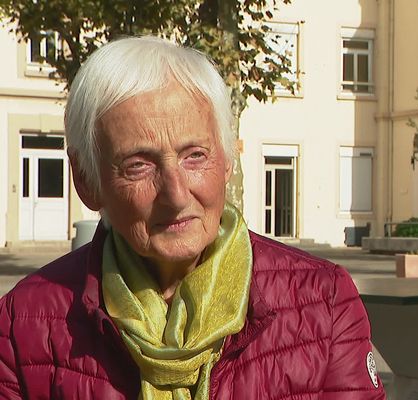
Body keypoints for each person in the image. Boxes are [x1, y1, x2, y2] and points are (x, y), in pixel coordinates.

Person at [0, 36, 386, 400]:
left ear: (227, 161)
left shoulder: (324, 301)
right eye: (139, 165)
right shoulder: (22, 324)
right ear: (86, 181)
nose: (176, 193)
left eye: (195, 157)